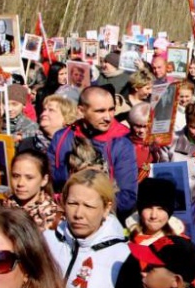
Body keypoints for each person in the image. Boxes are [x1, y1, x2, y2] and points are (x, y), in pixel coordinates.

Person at [48, 86, 138, 217]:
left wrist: (92, 209)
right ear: (81, 110)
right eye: (100, 111)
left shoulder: (122, 143)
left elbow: (127, 197)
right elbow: (50, 181)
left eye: (111, 110)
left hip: (105, 219)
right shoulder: (62, 138)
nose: (108, 117)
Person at [0, 150, 64, 231]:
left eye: (29, 178)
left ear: (44, 180)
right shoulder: (4, 209)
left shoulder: (53, 218)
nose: (20, 183)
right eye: (16, 176)